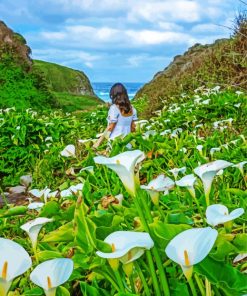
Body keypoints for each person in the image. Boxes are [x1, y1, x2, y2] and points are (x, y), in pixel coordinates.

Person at [93, 83, 138, 148]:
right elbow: (133, 128)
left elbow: (110, 127)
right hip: (127, 145)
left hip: (114, 144)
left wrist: (98, 143)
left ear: (114, 95)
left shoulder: (114, 108)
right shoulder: (133, 109)